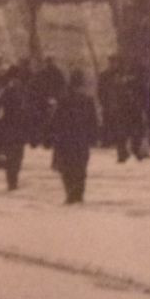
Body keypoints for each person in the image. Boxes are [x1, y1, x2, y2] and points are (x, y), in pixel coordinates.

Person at [50, 70, 99, 205]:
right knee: (81, 167)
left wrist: (51, 135)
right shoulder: (87, 100)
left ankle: (70, 194)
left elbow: (55, 120)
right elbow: (93, 121)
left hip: (65, 139)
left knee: (67, 167)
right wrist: (93, 137)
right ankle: (78, 194)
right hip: (81, 139)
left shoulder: (63, 100)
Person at [0, 62, 31, 190]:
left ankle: (11, 180)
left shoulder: (5, 89)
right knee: (18, 152)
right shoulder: (24, 89)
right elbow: (28, 107)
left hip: (8, 122)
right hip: (21, 123)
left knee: (9, 150)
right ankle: (14, 176)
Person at [108, 58, 149, 163]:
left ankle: (131, 151)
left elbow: (144, 95)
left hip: (132, 109)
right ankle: (126, 152)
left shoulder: (135, 82)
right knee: (126, 132)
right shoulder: (119, 81)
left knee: (132, 132)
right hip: (126, 109)